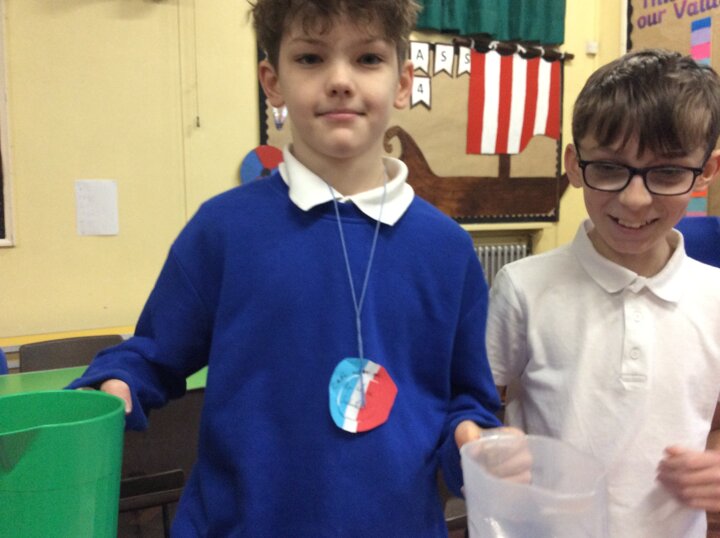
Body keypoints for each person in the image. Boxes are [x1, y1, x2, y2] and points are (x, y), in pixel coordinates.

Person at [68, 1, 505, 535]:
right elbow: (151, 356)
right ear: (272, 83)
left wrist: (475, 443)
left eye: (367, 58)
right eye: (311, 59)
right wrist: (114, 384)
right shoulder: (223, 229)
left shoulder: (447, 249)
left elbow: (468, 401)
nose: (340, 81)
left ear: (402, 83)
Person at [486, 48, 720, 538]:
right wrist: (497, 450)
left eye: (668, 172)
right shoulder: (523, 287)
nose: (635, 199)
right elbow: (482, 407)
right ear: (574, 165)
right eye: (610, 168)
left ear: (706, 171)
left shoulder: (714, 297)